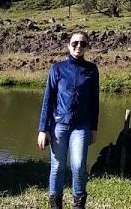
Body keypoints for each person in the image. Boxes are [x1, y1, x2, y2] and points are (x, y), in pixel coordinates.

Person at [37, 31, 99, 209]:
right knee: (57, 167)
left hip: (82, 126)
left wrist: (94, 128)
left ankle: (78, 204)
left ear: (87, 46)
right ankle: (55, 204)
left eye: (83, 43)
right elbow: (48, 100)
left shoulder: (92, 70)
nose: (78, 46)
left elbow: (94, 101)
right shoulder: (57, 69)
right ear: (68, 46)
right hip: (59, 125)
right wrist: (43, 129)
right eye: (75, 43)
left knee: (78, 165)